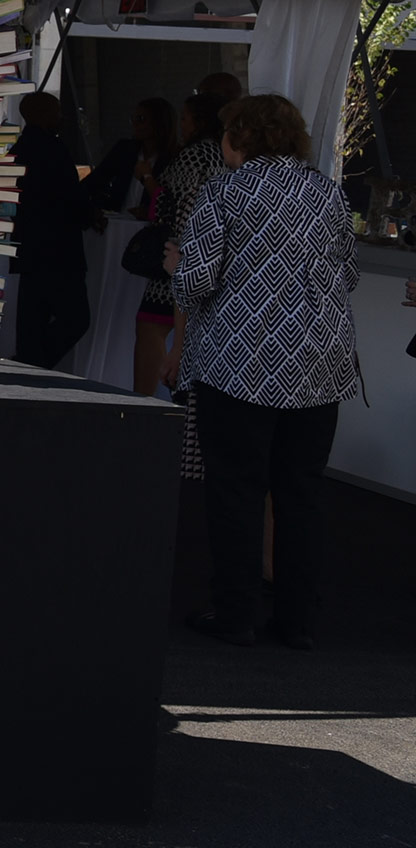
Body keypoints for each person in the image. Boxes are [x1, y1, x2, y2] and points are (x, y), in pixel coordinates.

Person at [164, 94, 359, 651]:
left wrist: (176, 267)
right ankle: (297, 621)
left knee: (236, 492)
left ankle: (235, 614)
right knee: (302, 494)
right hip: (319, 367)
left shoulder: (225, 192)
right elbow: (347, 275)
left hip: (240, 366)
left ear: (240, 137)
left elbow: (197, 283)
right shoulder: (326, 190)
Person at [136, 92, 228, 396]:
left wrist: (147, 178)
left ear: (199, 121)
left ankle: (144, 406)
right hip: (204, 258)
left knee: (152, 330)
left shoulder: (194, 155)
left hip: (176, 256)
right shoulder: (219, 155)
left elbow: (170, 204)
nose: (182, 125)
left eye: (186, 118)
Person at [8, 91, 93, 370]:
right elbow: (71, 198)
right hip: (60, 251)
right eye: (56, 112)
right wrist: (91, 215)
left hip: (29, 248)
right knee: (76, 318)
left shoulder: (19, 150)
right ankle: (35, 360)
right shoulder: (54, 150)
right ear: (43, 116)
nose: (61, 117)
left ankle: (29, 362)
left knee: (33, 318)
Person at [95, 97, 177, 217]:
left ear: (159, 123)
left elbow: (172, 202)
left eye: (141, 119)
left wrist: (150, 211)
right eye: (133, 118)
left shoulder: (173, 158)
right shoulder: (124, 150)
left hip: (151, 229)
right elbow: (96, 181)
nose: (135, 124)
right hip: (116, 224)